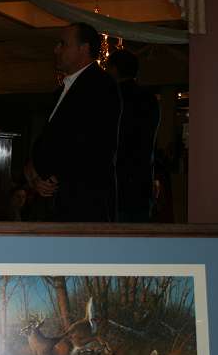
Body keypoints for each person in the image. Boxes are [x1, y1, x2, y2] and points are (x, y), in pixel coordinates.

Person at [25, 22, 121, 222]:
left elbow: (96, 145)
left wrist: (54, 177)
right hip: (58, 203)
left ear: (83, 48)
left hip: (82, 205)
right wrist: (33, 168)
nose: (56, 49)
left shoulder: (101, 86)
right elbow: (50, 139)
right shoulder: (62, 90)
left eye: (63, 44)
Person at [108, 49, 160, 222]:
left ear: (114, 69)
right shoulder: (150, 99)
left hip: (117, 183)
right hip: (142, 180)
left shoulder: (112, 97)